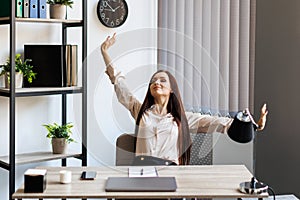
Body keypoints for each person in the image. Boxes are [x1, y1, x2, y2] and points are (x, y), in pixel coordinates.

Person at [101, 33, 268, 165]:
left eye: (162, 80)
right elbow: (119, 83)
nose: (156, 82)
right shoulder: (140, 111)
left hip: (170, 172)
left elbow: (219, 123)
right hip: (142, 172)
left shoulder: (182, 118)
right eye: (153, 80)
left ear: (172, 89)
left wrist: (253, 126)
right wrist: (105, 52)